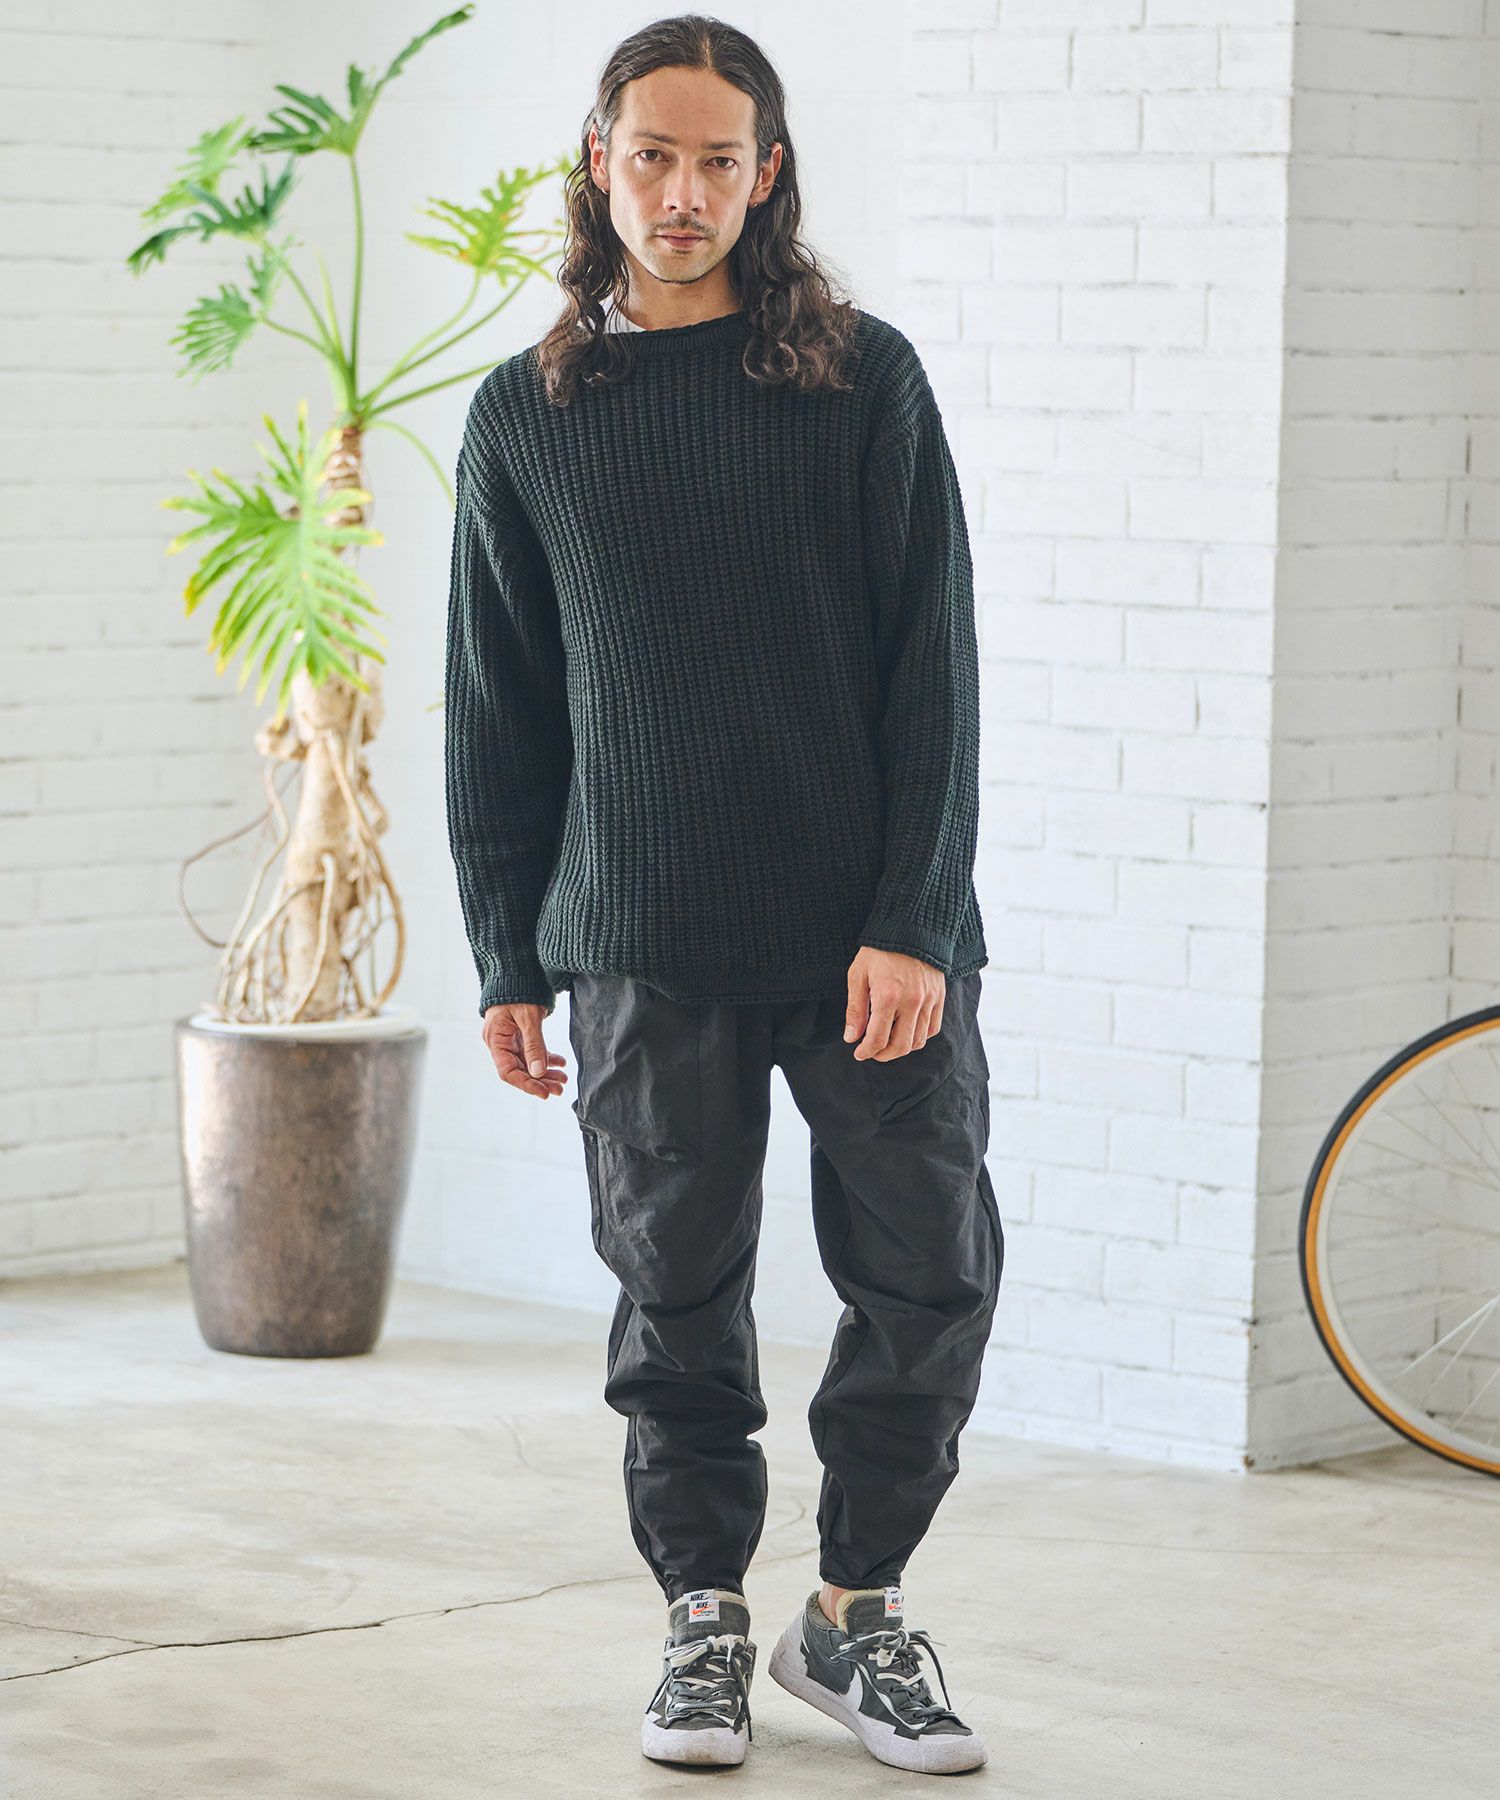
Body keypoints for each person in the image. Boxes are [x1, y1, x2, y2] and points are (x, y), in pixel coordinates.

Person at [444, 14, 1003, 1778]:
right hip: (639, 936)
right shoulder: (528, 419)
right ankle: (702, 1621)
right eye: (652, 155)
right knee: (674, 1298)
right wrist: (506, 952)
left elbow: (933, 669)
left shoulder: (862, 382)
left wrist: (915, 915)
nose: (681, 193)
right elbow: (497, 714)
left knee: (928, 1275)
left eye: (717, 160)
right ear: (597, 163)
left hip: (865, 943)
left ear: (767, 178)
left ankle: (853, 1613)